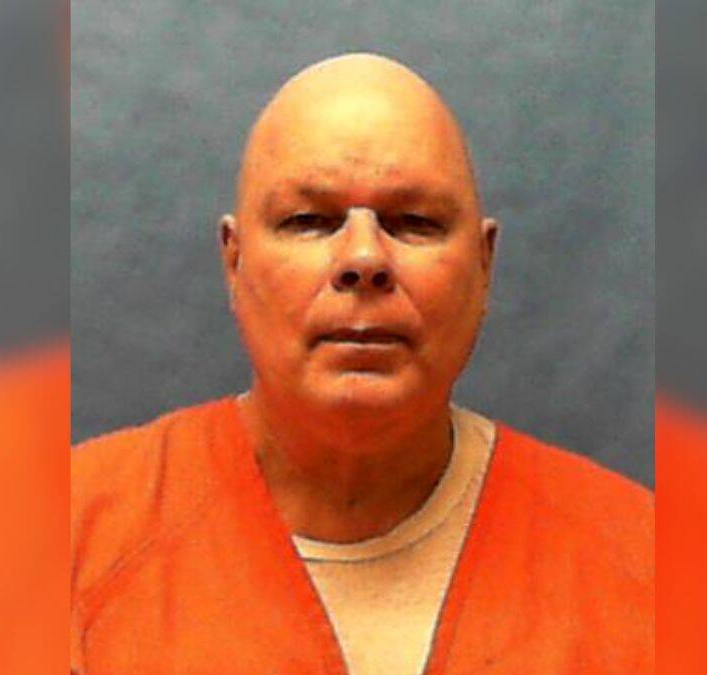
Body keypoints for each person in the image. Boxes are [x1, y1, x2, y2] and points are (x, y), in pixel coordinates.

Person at [70, 53, 653, 675]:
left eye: (415, 223)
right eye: (309, 221)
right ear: (234, 261)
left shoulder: (647, 570)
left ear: (483, 265)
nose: (365, 258)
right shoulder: (62, 541)